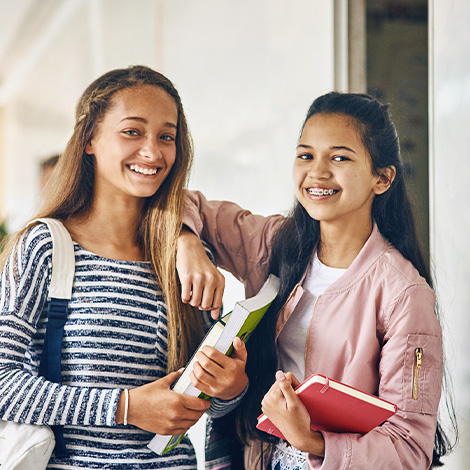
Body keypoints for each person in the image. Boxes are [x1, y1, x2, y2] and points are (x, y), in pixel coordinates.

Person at [175, 92, 456, 469]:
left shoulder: (404, 294)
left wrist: (310, 440)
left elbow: (409, 450)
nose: (318, 172)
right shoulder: (272, 243)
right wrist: (187, 241)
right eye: (306, 155)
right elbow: (182, 201)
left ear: (383, 178)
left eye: (339, 157)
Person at [0, 65, 248, 469]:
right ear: (90, 139)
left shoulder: (186, 256)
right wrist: (125, 406)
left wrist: (228, 389)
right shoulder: (45, 246)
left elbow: (203, 408)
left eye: (166, 136)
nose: (152, 151)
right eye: (132, 131)